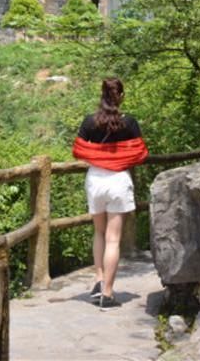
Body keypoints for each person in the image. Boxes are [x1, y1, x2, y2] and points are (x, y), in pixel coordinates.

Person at [72, 77, 148, 308]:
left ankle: (98, 278)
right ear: (121, 96)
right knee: (113, 240)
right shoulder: (130, 123)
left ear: (101, 95)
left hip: (95, 180)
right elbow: (140, 153)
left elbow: (78, 150)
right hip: (119, 181)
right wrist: (118, 158)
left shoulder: (89, 122)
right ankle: (107, 292)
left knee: (99, 233)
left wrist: (101, 156)